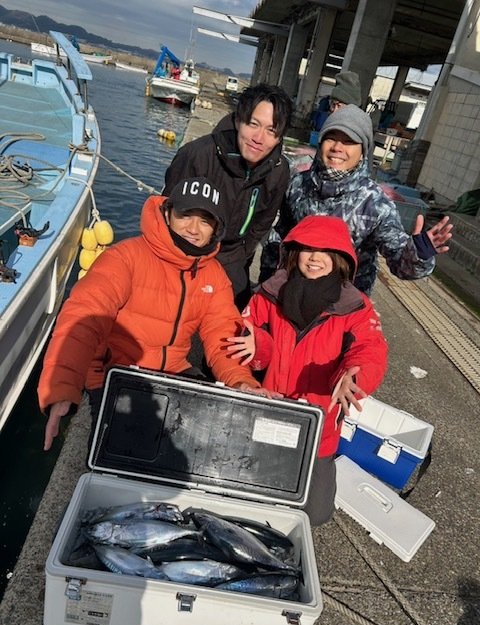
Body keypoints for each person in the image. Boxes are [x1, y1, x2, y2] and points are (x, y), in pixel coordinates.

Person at [38, 177, 273, 452]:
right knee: (120, 451)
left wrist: (242, 382)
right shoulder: (125, 257)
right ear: (167, 213)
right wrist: (62, 387)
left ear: (216, 230)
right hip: (115, 371)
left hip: (174, 370)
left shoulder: (214, 275)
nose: (193, 228)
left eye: (205, 221)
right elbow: (83, 316)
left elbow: (223, 335)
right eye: (185, 215)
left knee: (209, 443)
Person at [227, 215, 388, 525]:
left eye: (326, 251)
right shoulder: (267, 295)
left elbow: (369, 349)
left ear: (341, 258)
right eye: (307, 249)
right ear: (293, 253)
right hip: (266, 413)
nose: (315, 258)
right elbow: (248, 337)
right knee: (247, 504)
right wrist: (256, 348)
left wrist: (354, 375)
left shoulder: (356, 306)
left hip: (319, 427)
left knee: (315, 514)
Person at [260, 104, 453, 295]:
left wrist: (419, 253)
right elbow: (280, 236)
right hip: (292, 294)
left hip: (343, 305)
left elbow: (400, 263)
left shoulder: (375, 203)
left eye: (349, 141)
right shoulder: (298, 184)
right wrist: (267, 283)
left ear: (363, 152)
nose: (337, 147)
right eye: (331, 138)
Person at [163, 83, 293, 309]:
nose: (259, 138)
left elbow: (263, 221)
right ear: (238, 120)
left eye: (271, 131)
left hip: (232, 256)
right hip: (186, 250)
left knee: (234, 313)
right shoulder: (198, 155)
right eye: (253, 124)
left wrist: (242, 253)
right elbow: (165, 208)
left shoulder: (279, 171)